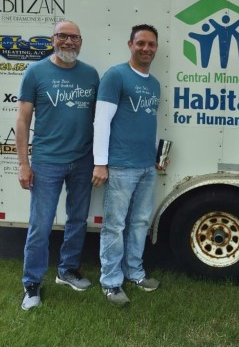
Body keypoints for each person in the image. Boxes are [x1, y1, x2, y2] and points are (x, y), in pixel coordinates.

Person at [16, 20, 99, 310]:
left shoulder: (90, 75)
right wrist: (23, 164)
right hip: (47, 161)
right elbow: (23, 121)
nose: (69, 41)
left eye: (74, 37)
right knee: (40, 224)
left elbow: (98, 120)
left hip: (83, 159)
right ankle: (32, 283)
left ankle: (68, 270)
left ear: (80, 41)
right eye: (63, 36)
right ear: (53, 39)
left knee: (77, 219)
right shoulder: (35, 72)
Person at [92, 24, 162, 306]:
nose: (146, 48)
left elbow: (148, 122)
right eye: (141, 43)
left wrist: (156, 155)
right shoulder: (115, 76)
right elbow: (101, 122)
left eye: (151, 44)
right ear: (130, 44)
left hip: (146, 166)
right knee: (114, 226)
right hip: (120, 166)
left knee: (141, 222)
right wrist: (100, 163)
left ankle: (134, 272)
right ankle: (110, 282)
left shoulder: (153, 83)